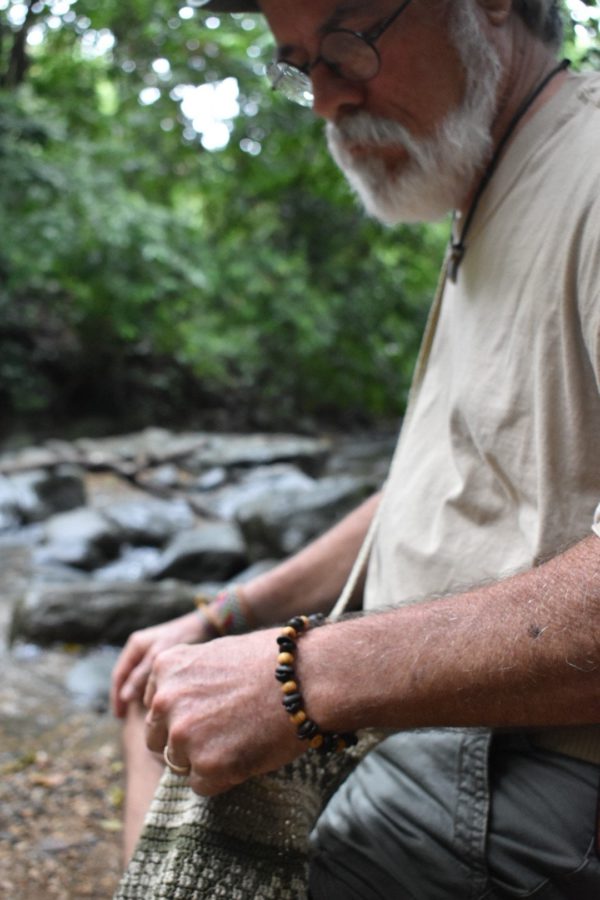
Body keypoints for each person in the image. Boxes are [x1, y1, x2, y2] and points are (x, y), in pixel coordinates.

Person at [111, 0, 600, 896]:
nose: (324, 101)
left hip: (540, 765)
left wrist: (302, 678)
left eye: (347, 43)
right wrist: (224, 615)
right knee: (158, 699)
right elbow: (433, 489)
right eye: (299, 64)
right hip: (439, 716)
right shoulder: (487, 195)